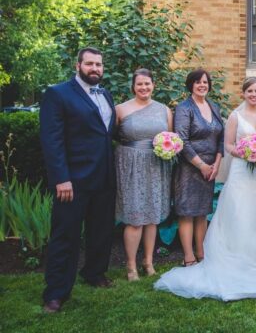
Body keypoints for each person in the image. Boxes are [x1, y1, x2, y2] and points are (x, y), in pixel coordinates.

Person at [155, 77, 256, 301]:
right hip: (241, 171)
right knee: (240, 212)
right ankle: (236, 253)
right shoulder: (235, 116)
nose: (254, 94)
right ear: (243, 93)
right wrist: (246, 152)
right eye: (250, 91)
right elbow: (227, 145)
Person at [39, 47, 116, 313]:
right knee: (66, 236)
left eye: (99, 64)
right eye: (90, 64)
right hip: (73, 181)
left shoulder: (105, 94)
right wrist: (61, 178)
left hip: (104, 177)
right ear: (78, 65)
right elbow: (52, 141)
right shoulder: (58, 94)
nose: (95, 68)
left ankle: (94, 273)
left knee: (101, 231)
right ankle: (56, 292)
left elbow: (105, 135)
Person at [114, 69, 173, 281]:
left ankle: (148, 262)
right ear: (133, 87)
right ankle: (131, 266)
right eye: (139, 84)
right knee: (135, 217)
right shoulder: (120, 109)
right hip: (130, 167)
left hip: (156, 166)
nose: (144, 88)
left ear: (153, 85)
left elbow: (170, 137)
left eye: (147, 84)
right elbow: (112, 136)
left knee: (152, 217)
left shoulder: (164, 110)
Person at [173, 69, 224, 267]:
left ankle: (201, 253)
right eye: (197, 82)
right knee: (187, 212)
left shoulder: (214, 107)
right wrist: (201, 165)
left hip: (211, 167)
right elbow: (182, 140)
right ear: (191, 85)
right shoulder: (184, 108)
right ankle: (188, 257)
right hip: (189, 167)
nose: (202, 85)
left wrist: (216, 164)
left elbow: (221, 137)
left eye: (205, 82)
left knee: (202, 212)